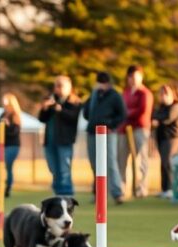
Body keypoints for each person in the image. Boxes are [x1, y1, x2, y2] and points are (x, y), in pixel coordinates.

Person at [82, 71, 126, 202]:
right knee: (94, 164)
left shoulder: (115, 96)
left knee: (110, 162)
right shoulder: (94, 95)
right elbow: (86, 112)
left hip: (108, 133)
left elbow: (122, 114)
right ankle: (98, 193)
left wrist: (111, 125)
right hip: (92, 132)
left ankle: (117, 193)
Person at [38, 75, 82, 196]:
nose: (58, 89)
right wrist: (45, 108)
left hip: (65, 141)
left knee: (64, 169)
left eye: (61, 86)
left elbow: (73, 118)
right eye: (56, 86)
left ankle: (67, 194)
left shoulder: (74, 102)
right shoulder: (50, 100)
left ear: (69, 87)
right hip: (50, 141)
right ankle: (57, 193)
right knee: (53, 168)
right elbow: (42, 119)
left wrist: (60, 110)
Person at [117, 65, 153, 199]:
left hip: (139, 128)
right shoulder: (125, 92)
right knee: (122, 159)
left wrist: (127, 113)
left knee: (141, 159)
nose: (133, 79)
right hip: (124, 129)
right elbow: (122, 108)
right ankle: (123, 188)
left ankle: (141, 188)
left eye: (136, 76)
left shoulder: (145, 93)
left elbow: (142, 110)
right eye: (131, 77)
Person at [152, 84, 178, 199]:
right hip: (161, 137)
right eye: (161, 94)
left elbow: (167, 118)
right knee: (163, 163)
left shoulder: (177, 106)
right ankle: (164, 188)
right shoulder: (161, 107)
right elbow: (154, 115)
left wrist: (158, 120)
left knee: (168, 163)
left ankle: (170, 188)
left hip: (171, 138)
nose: (163, 96)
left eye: (166, 93)